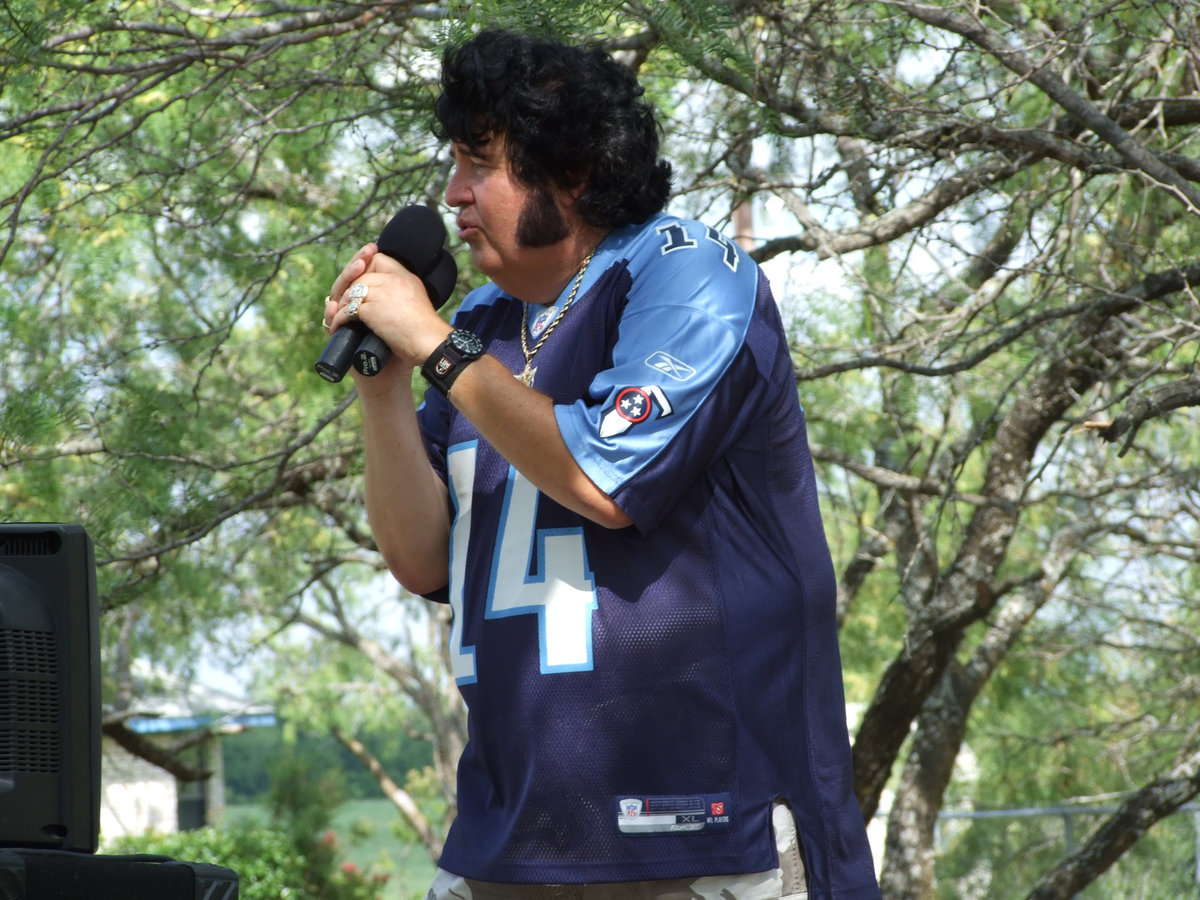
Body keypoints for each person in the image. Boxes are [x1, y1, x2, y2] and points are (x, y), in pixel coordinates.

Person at [323, 28, 880, 900]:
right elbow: (421, 558)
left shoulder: (689, 271)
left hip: (705, 835)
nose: (453, 193)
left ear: (574, 172)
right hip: (512, 842)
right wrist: (386, 387)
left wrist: (431, 343)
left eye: (479, 163)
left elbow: (603, 479)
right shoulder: (480, 323)